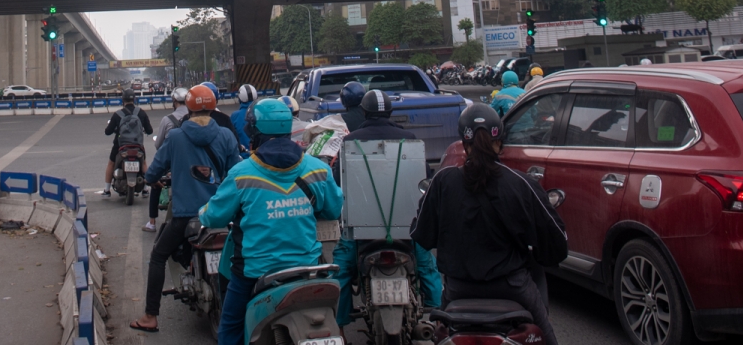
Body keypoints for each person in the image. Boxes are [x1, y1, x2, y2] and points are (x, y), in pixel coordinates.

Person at [412, 105, 567, 345]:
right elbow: (556, 242)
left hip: (457, 290)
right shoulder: (520, 183)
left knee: (438, 335)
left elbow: (421, 233)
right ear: (500, 140)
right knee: (546, 336)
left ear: (464, 142)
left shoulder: (443, 181)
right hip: (512, 288)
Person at [199, 99, 343, 345]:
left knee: (230, 327)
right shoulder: (318, 169)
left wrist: (203, 211)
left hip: (255, 273)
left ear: (253, 133)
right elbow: (333, 209)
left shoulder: (241, 174)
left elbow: (214, 216)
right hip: (307, 267)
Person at [130, 85, 240, 334]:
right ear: (213, 108)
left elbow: (154, 172)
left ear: (186, 108)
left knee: (158, 255)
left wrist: (154, 179)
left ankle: (150, 316)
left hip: (185, 216)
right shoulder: (226, 136)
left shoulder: (176, 137)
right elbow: (237, 173)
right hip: (221, 213)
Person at [330, 90, 441, 331]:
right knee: (427, 266)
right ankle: (438, 316)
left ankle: (339, 326)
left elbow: (338, 181)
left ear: (364, 111)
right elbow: (425, 180)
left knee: (341, 270)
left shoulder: (351, 141)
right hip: (406, 229)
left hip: (360, 229)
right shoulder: (409, 139)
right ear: (390, 112)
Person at [145, 86, 191, 232]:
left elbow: (159, 145)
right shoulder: (193, 117)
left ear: (174, 101)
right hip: (190, 162)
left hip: (169, 163)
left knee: (155, 183)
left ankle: (152, 222)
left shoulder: (167, 119)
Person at [103, 89, 153, 197]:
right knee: (143, 162)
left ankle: (107, 190)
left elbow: (107, 132)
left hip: (120, 145)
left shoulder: (117, 114)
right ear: (134, 99)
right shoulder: (141, 113)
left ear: (123, 100)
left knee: (111, 163)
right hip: (137, 145)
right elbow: (150, 131)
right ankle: (145, 189)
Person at [229, 84, 258, 153]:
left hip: (242, 156)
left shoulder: (235, 116)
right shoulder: (261, 113)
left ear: (240, 98)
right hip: (260, 157)